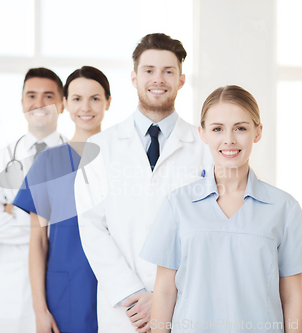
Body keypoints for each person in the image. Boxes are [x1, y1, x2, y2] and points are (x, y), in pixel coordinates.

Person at [140, 85, 302, 333]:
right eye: (217, 129)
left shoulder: (284, 208)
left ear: (258, 132)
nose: (229, 139)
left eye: (241, 128)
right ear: (203, 133)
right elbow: (164, 292)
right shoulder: (178, 204)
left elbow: (291, 297)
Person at [74, 34, 212, 333]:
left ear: (182, 79)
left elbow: (212, 231)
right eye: (149, 70)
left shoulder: (206, 148)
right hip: (126, 312)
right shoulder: (99, 147)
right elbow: (91, 228)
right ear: (134, 78)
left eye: (168, 71)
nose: (158, 79)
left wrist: (164, 296)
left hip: (186, 304)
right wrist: (134, 295)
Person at [13, 66, 111, 333]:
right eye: (77, 99)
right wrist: (40, 310)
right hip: (65, 291)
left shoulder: (121, 160)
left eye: (95, 98)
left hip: (116, 287)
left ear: (108, 102)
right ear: (65, 104)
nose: (86, 107)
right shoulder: (48, 162)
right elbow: (39, 240)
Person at [0, 68, 67, 333]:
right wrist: (47, 223)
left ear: (62, 104)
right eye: (31, 95)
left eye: (48, 96)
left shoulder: (78, 160)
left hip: (61, 285)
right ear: (22, 104)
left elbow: (81, 228)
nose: (39, 103)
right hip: (12, 294)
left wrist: (15, 211)